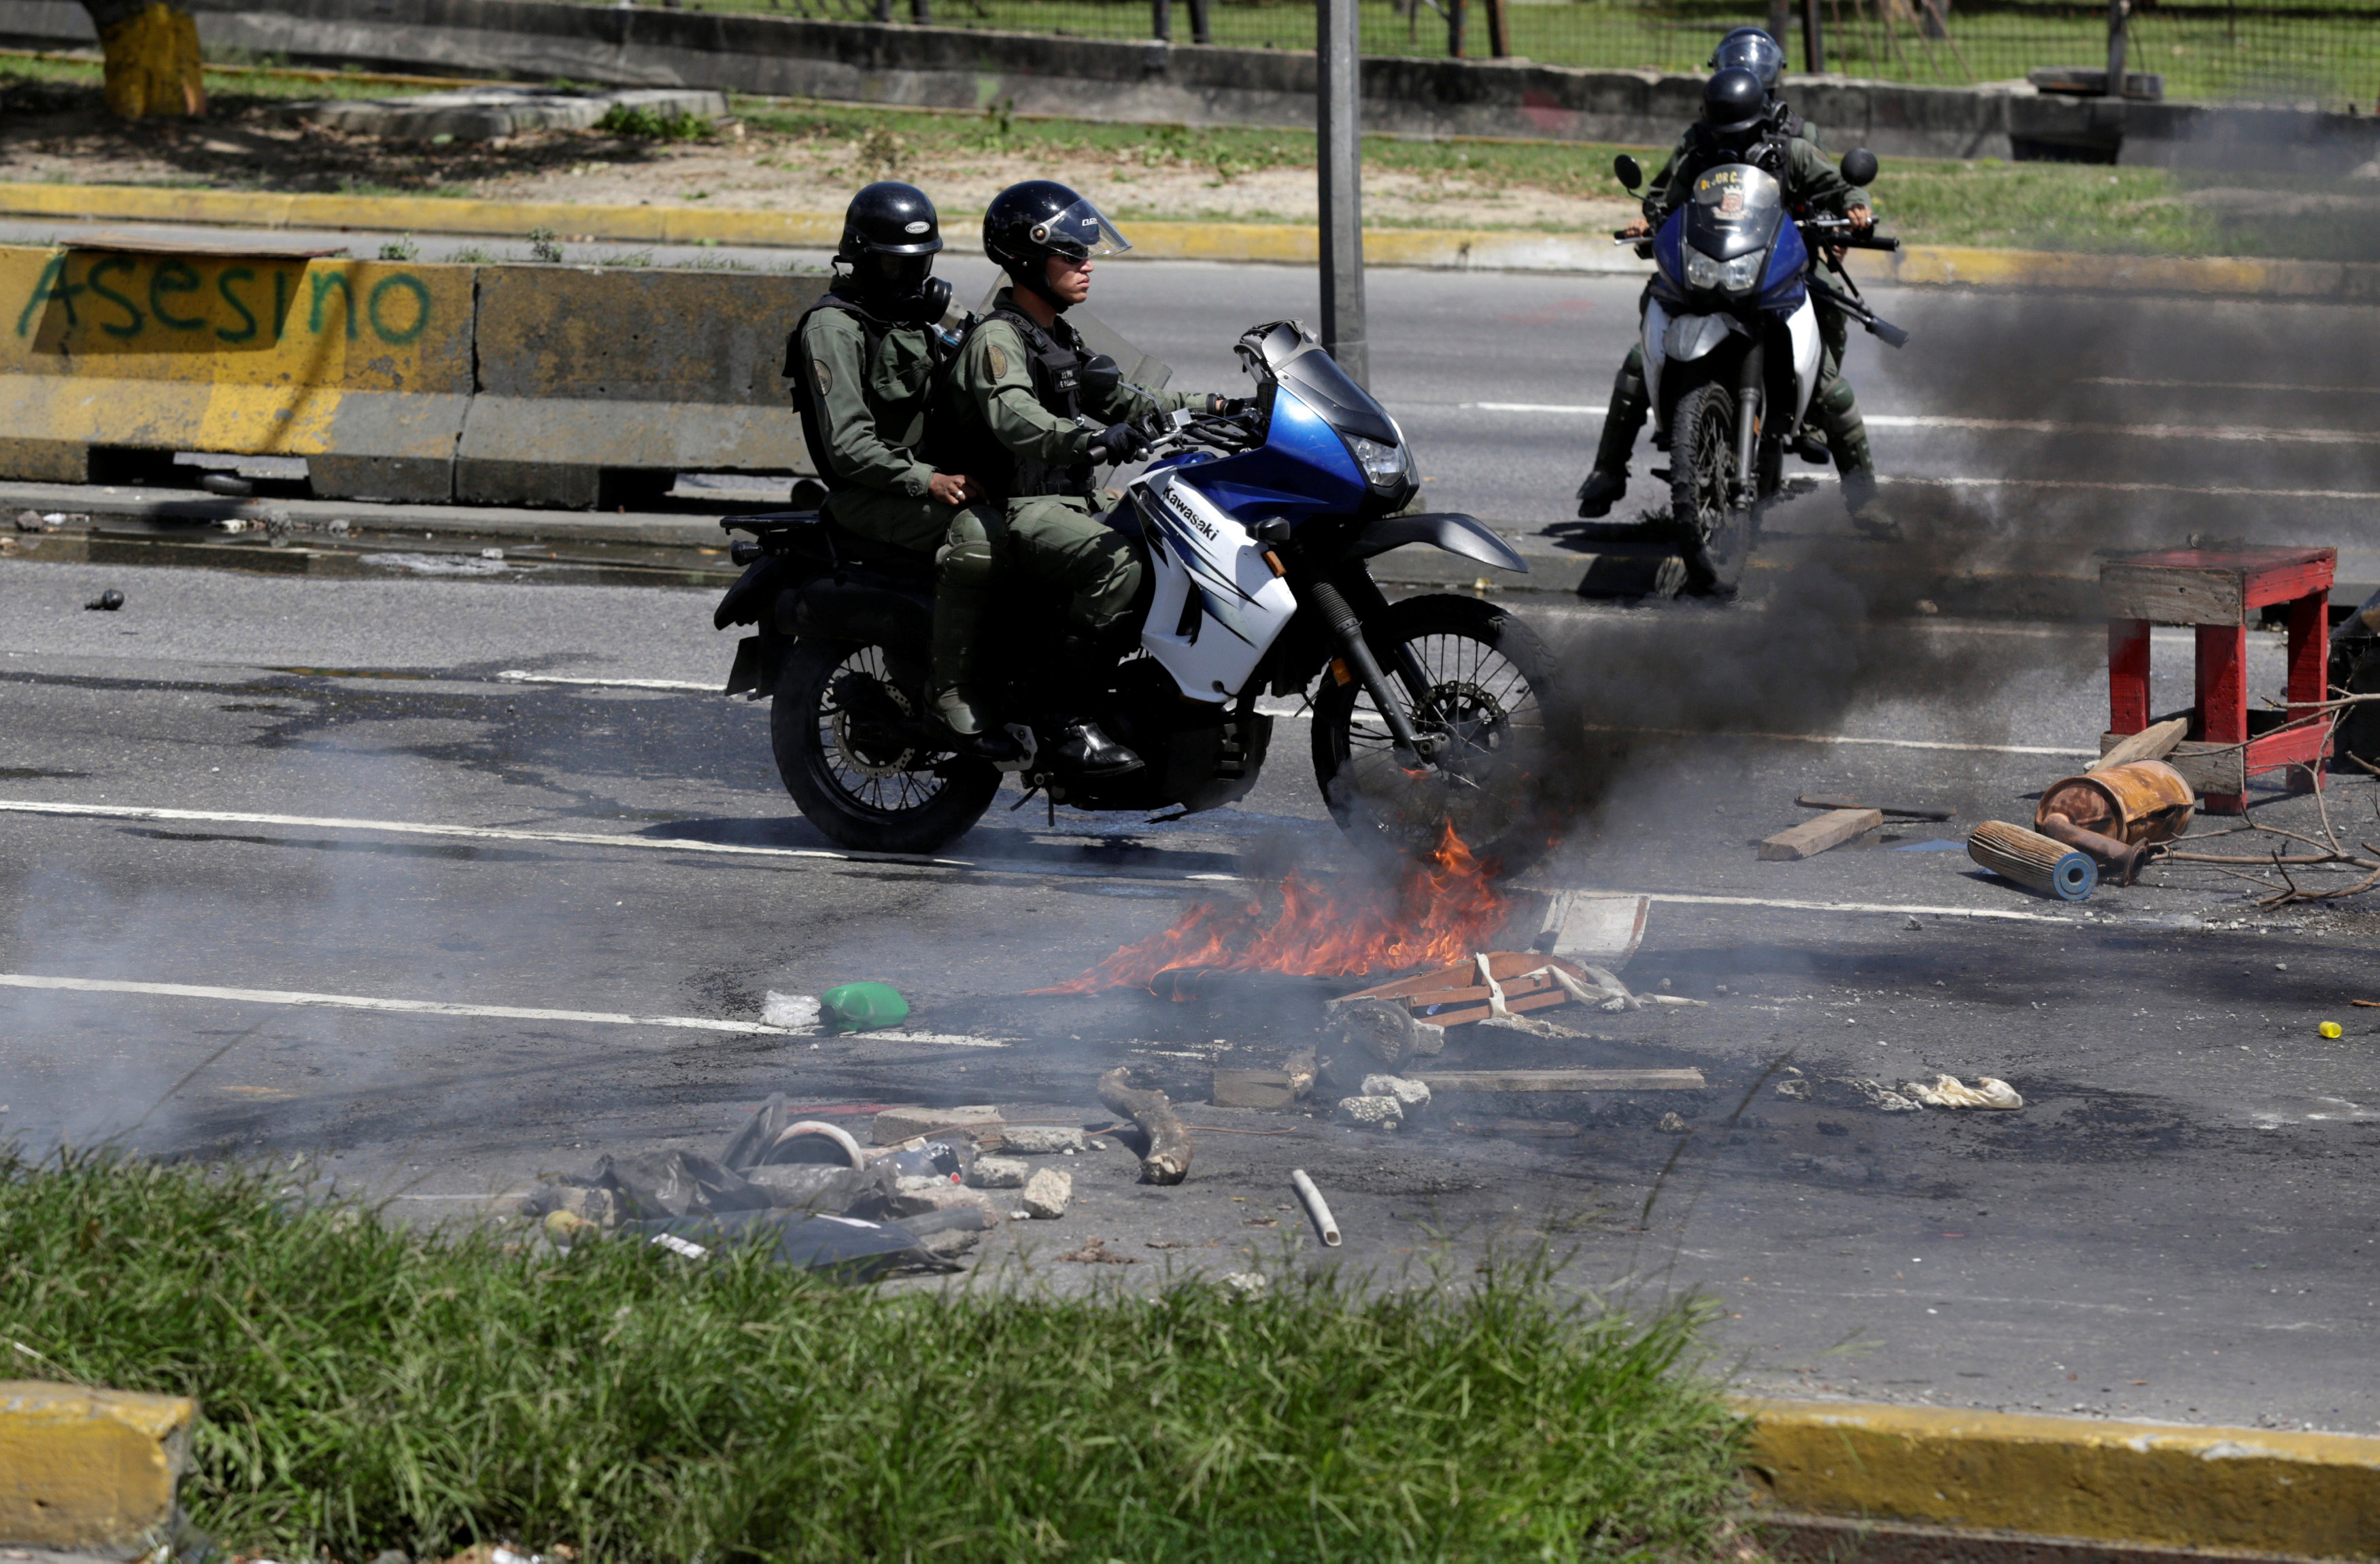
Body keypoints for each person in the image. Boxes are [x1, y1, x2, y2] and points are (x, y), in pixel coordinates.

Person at [933, 179, 1236, 777]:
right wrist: (1092, 441)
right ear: (1025, 258)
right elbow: (1018, 420)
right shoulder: (1000, 337)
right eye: (1071, 254)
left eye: (1087, 253)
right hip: (1019, 504)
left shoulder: (1058, 335)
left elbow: (1130, 400)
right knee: (1116, 563)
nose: (1087, 265)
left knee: (1171, 545)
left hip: (1067, 499)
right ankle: (1060, 718)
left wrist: (1224, 407)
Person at [1576, 45, 1896, 537]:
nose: (1726, 140)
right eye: (1719, 130)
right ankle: (1607, 470)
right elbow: (1668, 198)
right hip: (1712, 267)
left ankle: (1865, 499)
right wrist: (1649, 219)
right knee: (1642, 357)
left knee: (1832, 386)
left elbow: (1840, 187)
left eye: (1738, 131)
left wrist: (1855, 208)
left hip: (1777, 267)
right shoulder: (1699, 147)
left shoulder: (1793, 148)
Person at [785, 180, 1015, 759]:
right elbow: (849, 447)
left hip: (932, 478)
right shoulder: (835, 328)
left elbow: (998, 354)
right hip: (871, 493)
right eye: (895, 265)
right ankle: (950, 692)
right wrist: (928, 481)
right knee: (982, 539)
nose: (912, 278)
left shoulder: (914, 313)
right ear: (861, 258)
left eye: (922, 264)